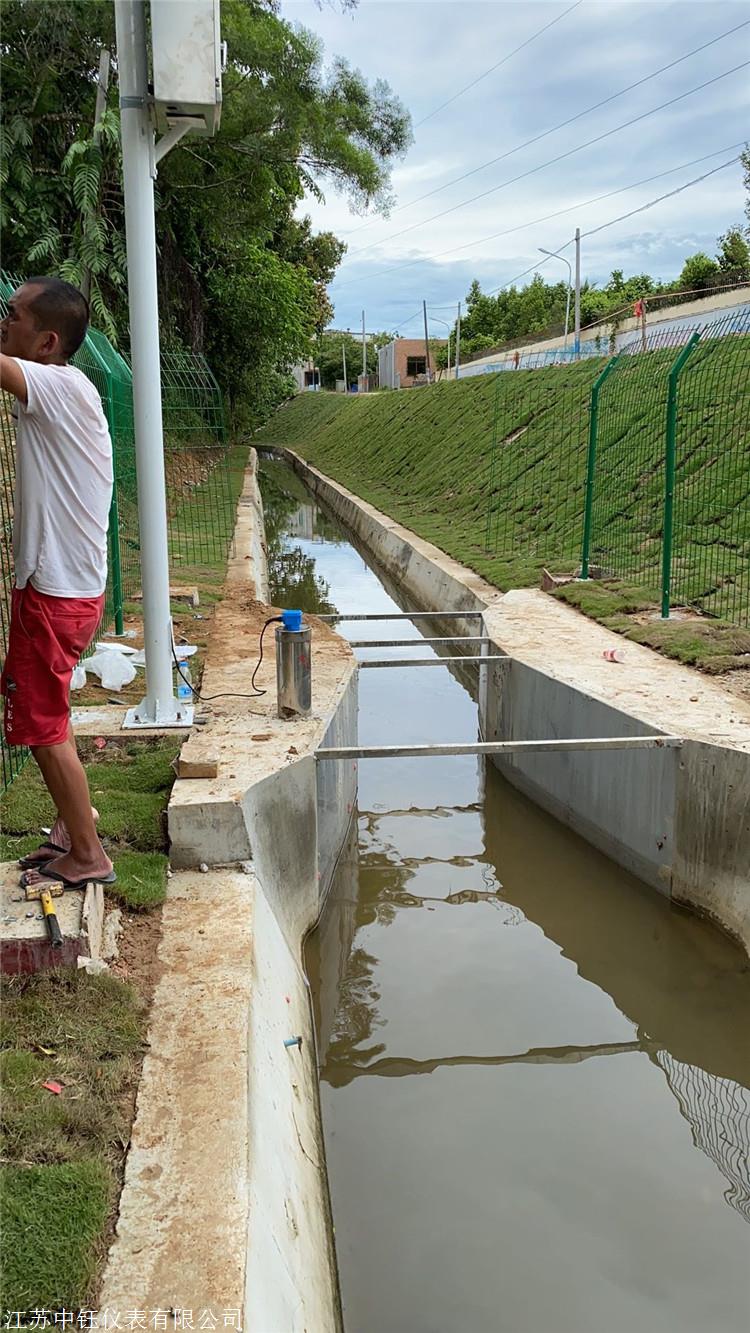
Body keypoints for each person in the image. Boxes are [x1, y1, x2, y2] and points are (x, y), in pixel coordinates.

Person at [0, 277, 116, 890]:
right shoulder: (65, 387)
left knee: (41, 725)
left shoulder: (59, 384)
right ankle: (75, 828)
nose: (2, 321)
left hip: (56, 593)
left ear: (46, 342)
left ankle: (89, 857)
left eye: (10, 314)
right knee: (49, 714)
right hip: (63, 588)